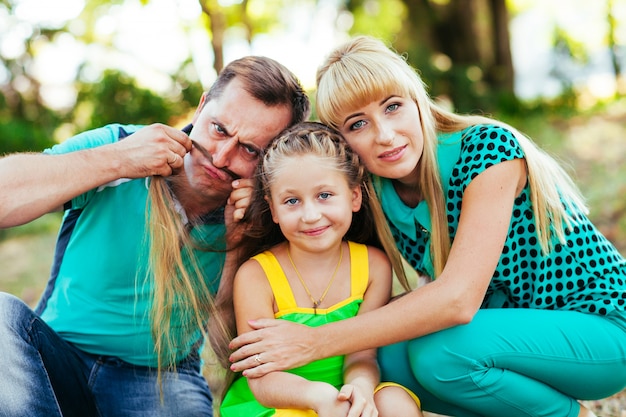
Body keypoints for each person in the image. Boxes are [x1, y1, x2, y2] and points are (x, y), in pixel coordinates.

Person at [228, 36, 626, 417]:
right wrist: (259, 194)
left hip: (600, 328)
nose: (385, 135)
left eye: (392, 106)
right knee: (383, 362)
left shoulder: (488, 149)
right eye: (357, 124)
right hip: (508, 344)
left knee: (441, 350)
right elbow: (310, 194)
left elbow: (457, 300)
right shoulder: (374, 190)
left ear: (418, 100)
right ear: (345, 143)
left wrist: (314, 341)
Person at [0, 56, 310, 417]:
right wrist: (118, 160)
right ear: (202, 105)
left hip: (161, 380)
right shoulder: (121, 145)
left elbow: (232, 352)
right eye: (219, 129)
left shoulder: (262, 214)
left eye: (250, 150)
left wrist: (237, 245)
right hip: (58, 357)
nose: (222, 157)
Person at [213, 122, 422, 417]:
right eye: (292, 201)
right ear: (273, 209)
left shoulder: (374, 266)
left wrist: (359, 388)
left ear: (354, 197)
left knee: (393, 402)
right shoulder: (256, 275)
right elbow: (261, 378)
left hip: (342, 390)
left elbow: (362, 352)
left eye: (324, 195)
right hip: (280, 401)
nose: (311, 216)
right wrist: (317, 396)